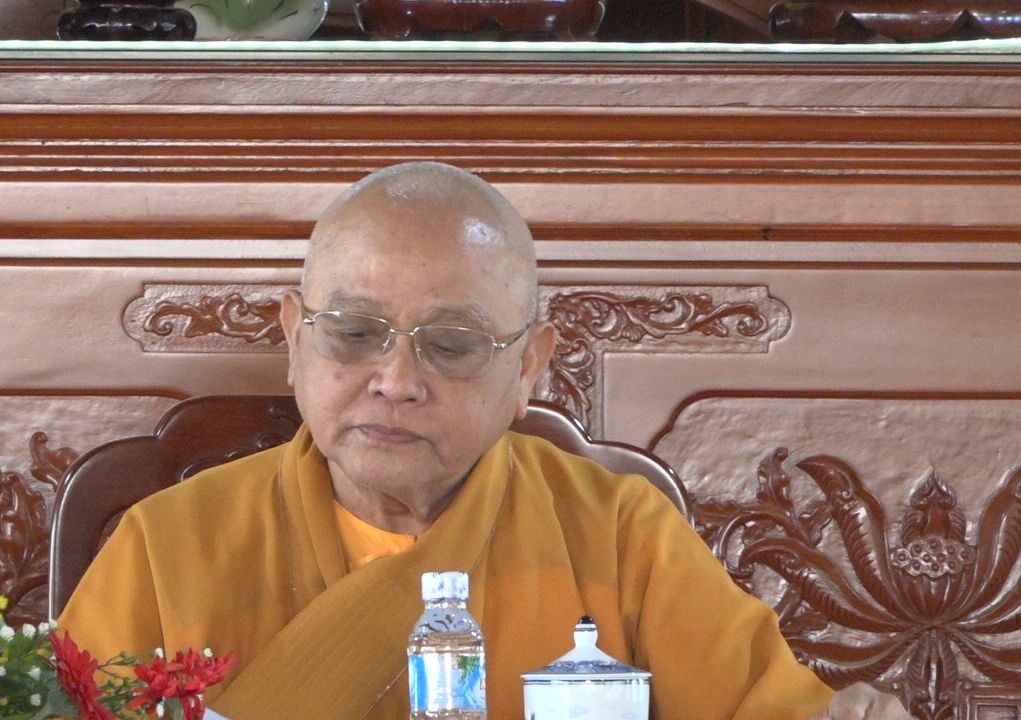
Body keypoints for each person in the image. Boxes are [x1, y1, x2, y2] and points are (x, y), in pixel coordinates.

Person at [57, 161, 912, 720]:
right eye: (354, 333)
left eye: (453, 344)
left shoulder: (619, 536)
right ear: (292, 338)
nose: (396, 379)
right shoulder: (167, 548)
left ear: (529, 366)